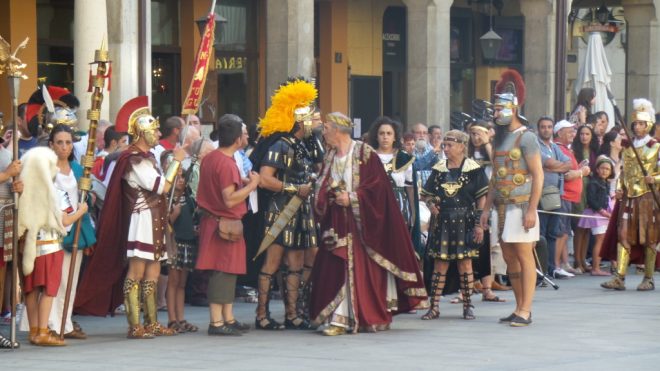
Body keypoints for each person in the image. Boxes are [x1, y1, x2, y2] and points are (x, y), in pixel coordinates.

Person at [74, 96, 185, 339]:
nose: (157, 134)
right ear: (142, 133)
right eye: (153, 131)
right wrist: (176, 162)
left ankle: (152, 322)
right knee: (136, 272)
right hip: (142, 219)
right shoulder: (135, 159)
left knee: (153, 272)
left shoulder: (148, 157)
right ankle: (135, 324)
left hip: (155, 219)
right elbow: (162, 187)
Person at [309, 112, 427, 336]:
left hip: (361, 225)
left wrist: (352, 197)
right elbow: (321, 183)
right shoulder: (329, 155)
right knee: (335, 267)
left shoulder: (364, 153)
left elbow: (377, 188)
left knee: (356, 269)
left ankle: (353, 318)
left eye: (326, 128)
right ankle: (339, 318)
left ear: (337, 130)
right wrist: (326, 193)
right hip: (336, 221)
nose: (323, 132)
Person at [250, 79, 320, 330]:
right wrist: (294, 189)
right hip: (281, 209)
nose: (318, 122)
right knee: (272, 263)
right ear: (301, 120)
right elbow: (265, 179)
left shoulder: (302, 145)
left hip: (301, 210)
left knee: (297, 264)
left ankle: (293, 314)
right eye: (314, 117)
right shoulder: (281, 144)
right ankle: (262, 315)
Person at [479, 91, 543, 327]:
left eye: (499, 109)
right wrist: (486, 210)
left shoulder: (526, 137)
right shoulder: (499, 138)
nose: (495, 114)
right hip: (501, 207)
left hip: (521, 204)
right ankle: (518, 307)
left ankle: (526, 309)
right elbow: (495, 178)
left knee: (524, 256)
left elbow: (538, 175)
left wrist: (532, 210)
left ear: (513, 109)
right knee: (508, 257)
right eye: (494, 110)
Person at [196, 114, 260, 336]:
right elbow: (230, 199)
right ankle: (216, 321)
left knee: (229, 272)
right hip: (222, 222)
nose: (247, 137)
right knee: (222, 272)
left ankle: (228, 317)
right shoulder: (226, 163)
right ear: (236, 139)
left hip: (218, 222)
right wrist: (253, 184)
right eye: (244, 134)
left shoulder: (212, 158)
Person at [18, 146, 87, 346]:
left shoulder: (22, 190)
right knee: (48, 291)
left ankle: (33, 331)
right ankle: (42, 332)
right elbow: (65, 221)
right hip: (49, 246)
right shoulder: (55, 192)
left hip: (28, 247)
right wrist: (81, 211)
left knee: (31, 291)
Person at [420, 130, 488, 320]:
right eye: (445, 145)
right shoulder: (439, 169)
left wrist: (478, 224)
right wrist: (432, 203)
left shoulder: (474, 169)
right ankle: (434, 307)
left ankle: (468, 306)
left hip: (465, 219)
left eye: (450, 145)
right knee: (439, 264)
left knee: (465, 264)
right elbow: (426, 194)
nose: (446, 149)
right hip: (442, 221)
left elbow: (481, 199)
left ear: (461, 146)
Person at [601, 99, 659, 291]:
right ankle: (619, 277)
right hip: (629, 197)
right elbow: (624, 171)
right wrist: (619, 186)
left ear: (648, 125)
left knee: (649, 238)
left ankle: (648, 278)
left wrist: (655, 179)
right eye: (635, 123)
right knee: (623, 235)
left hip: (647, 198)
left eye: (641, 123)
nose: (637, 126)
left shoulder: (655, 147)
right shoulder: (627, 147)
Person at [46, 125, 96, 340]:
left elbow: (87, 199)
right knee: (56, 280)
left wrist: (88, 195)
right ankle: (50, 324)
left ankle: (65, 323)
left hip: (76, 228)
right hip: (53, 230)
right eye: (60, 142)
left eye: (68, 142)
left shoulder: (77, 169)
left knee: (71, 280)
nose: (65, 146)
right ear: (51, 145)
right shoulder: (47, 169)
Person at [536, 117, 571, 276]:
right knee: (541, 235)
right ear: (539, 129)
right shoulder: (536, 145)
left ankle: (550, 269)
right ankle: (541, 270)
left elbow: (568, 164)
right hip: (541, 196)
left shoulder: (555, 147)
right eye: (543, 127)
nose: (546, 130)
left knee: (552, 234)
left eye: (549, 127)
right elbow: (547, 163)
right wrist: (556, 167)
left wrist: (554, 168)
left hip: (556, 196)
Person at [368, 117, 416, 230]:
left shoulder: (404, 158)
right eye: (382, 133)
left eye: (389, 133)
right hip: (375, 206)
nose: (385, 137)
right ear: (376, 136)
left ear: (395, 137)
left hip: (399, 207)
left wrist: (413, 213)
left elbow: (410, 189)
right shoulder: (369, 157)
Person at [577, 156, 614, 276]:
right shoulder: (593, 182)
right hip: (596, 214)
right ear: (597, 169)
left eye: (607, 169)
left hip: (601, 213)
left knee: (600, 240)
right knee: (600, 240)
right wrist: (603, 212)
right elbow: (592, 200)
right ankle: (595, 268)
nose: (604, 171)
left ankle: (593, 266)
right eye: (602, 168)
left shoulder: (605, 183)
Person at [572, 125, 600, 273]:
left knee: (587, 226)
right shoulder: (574, 150)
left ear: (591, 136)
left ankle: (583, 259)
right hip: (579, 187)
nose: (584, 136)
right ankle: (577, 260)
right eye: (581, 134)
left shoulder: (595, 151)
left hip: (591, 189)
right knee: (579, 226)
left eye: (587, 134)